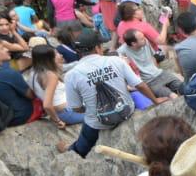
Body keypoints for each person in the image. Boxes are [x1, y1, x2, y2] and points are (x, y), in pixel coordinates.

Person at [59, 30, 169, 158]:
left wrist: (90, 109)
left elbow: (76, 108)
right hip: (126, 112)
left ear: (79, 52)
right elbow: (139, 85)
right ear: (97, 48)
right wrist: (155, 100)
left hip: (98, 122)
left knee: (85, 138)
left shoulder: (71, 75)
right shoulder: (116, 61)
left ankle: (73, 150)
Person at [28, 44, 86, 127]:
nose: (61, 55)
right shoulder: (50, 75)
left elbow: (33, 93)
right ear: (48, 59)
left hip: (67, 109)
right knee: (99, 117)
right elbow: (47, 105)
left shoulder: (33, 71)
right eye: (56, 54)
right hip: (66, 112)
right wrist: (57, 121)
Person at [119, 29, 181, 98]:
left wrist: (157, 70)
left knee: (181, 87)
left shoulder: (145, 42)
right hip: (148, 81)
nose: (145, 39)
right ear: (134, 43)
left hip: (160, 73)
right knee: (172, 96)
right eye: (142, 39)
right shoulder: (122, 52)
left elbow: (152, 58)